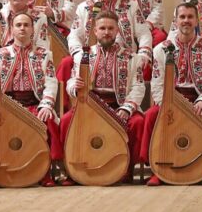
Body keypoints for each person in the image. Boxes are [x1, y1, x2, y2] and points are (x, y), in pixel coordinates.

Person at [143, 2, 202, 186]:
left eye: (190, 17)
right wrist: (166, 104)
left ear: (197, 20)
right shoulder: (160, 49)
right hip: (170, 99)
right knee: (152, 115)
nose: (186, 20)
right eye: (182, 17)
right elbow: (157, 83)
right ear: (175, 20)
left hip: (197, 100)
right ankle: (157, 168)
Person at [63, 11, 147, 185]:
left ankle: (127, 169)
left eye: (110, 28)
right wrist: (74, 86)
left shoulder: (132, 57)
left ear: (117, 31)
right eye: (102, 28)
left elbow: (138, 87)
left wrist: (127, 109)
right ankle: (71, 169)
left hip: (119, 106)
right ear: (95, 31)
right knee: (66, 120)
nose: (106, 32)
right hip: (90, 107)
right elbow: (70, 82)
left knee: (138, 122)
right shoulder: (81, 56)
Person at [0, 10, 62, 187]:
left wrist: (46, 105)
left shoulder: (44, 54)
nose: (22, 28)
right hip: (7, 105)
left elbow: (51, 82)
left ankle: (44, 172)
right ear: (11, 29)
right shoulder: (0, 54)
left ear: (32, 29)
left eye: (26, 25)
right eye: (18, 25)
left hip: (33, 104)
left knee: (48, 120)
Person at [69, 0, 152, 68]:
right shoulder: (84, 7)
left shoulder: (132, 6)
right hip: (91, 58)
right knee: (66, 63)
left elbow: (144, 33)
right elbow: (74, 35)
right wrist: (78, 54)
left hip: (126, 58)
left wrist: (143, 54)